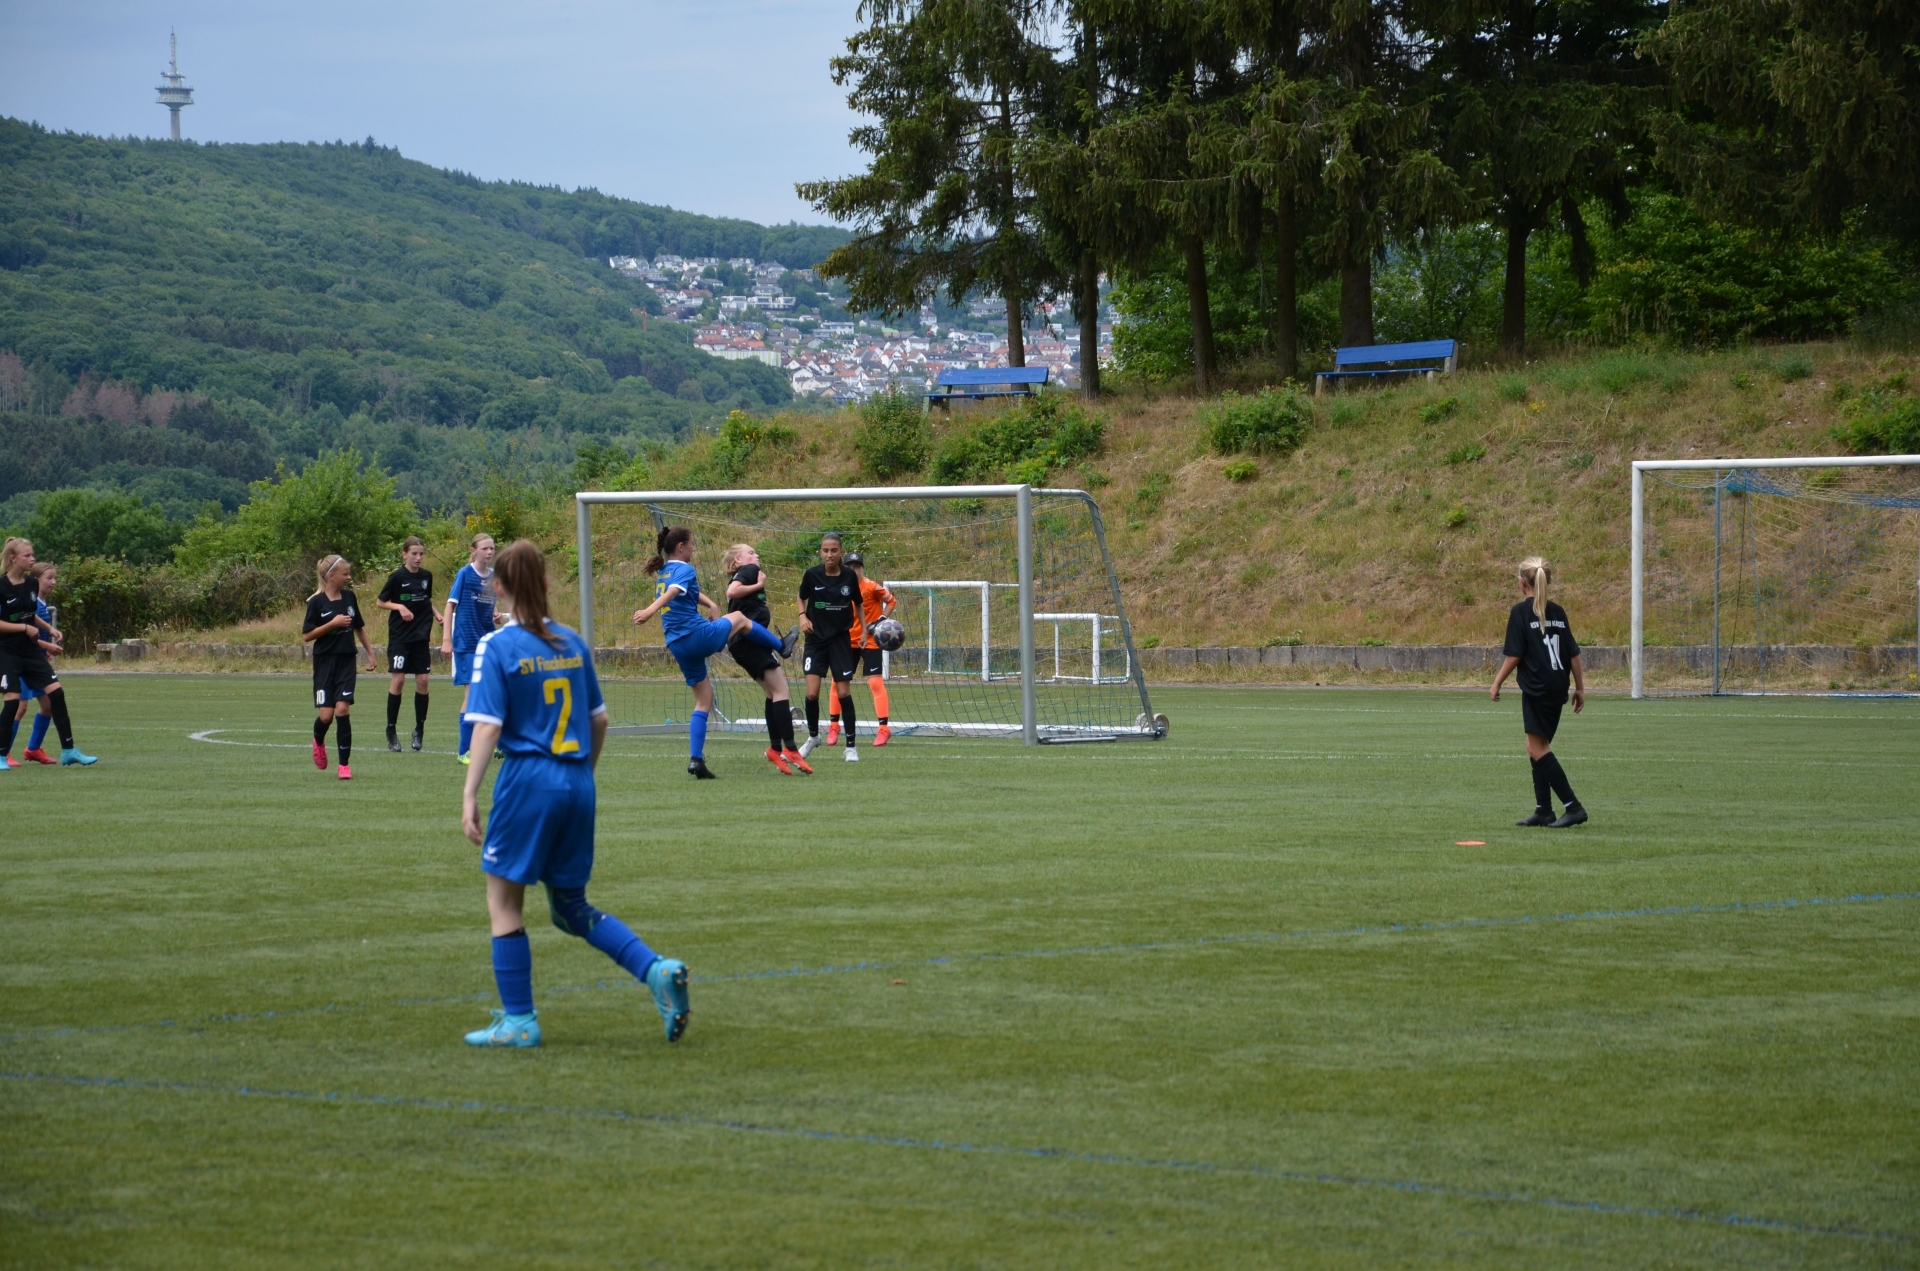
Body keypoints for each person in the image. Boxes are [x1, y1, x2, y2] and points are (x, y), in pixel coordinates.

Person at [460, 539, 690, 1047]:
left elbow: (487, 726)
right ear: (546, 584)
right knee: (568, 906)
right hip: (577, 782)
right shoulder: (572, 642)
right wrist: (582, 774)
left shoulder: (496, 646)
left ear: (499, 588)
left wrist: (470, 793)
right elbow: (599, 720)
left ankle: (519, 1022)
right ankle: (655, 969)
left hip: (527, 781)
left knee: (504, 903)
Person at [631, 525, 787, 779]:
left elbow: (686, 591)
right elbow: (674, 592)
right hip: (695, 635)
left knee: (704, 700)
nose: (694, 548)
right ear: (681, 546)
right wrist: (649, 611)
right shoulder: (685, 568)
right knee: (739, 617)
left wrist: (711, 604)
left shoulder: (666, 571)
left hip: (677, 644)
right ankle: (782, 646)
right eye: (692, 544)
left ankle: (696, 760)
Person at [1491, 556, 1589, 828]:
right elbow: (1573, 654)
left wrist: (1496, 682)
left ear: (1522, 583)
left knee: (1538, 747)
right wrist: (1580, 688)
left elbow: (1514, 655)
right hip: (1557, 685)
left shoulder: (1520, 612)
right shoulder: (1557, 611)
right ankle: (1543, 809)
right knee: (1534, 745)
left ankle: (1573, 807)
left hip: (1537, 687)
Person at [0, 545, 94, 768]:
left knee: (56, 695)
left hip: (31, 651)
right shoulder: (1, 586)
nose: (32, 559)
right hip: (7, 653)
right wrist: (24, 628)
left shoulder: (31, 584)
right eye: (27, 555)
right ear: (13, 559)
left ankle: (69, 751)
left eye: (33, 554)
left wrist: (49, 628)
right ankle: (2, 755)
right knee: (13, 703)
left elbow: (29, 613)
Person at [720, 542, 809, 775]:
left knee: (772, 693)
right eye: (750, 552)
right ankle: (790, 748)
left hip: (743, 643)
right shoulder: (749, 570)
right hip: (749, 642)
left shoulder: (743, 572)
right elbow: (732, 592)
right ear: (738, 560)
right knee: (781, 691)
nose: (756, 555)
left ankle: (775, 749)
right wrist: (759, 585)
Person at [302, 554, 378, 780]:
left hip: (346, 661)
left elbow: (359, 627)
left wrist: (370, 653)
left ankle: (344, 765)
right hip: (325, 663)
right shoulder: (316, 602)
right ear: (331, 576)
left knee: (342, 709)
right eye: (345, 574)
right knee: (326, 716)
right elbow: (307, 635)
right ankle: (318, 740)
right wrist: (333, 623)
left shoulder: (350, 597)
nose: (349, 577)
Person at [796, 532, 864, 762]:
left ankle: (851, 746)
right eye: (825, 550)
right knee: (812, 693)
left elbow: (858, 604)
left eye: (834, 550)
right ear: (821, 552)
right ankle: (813, 737)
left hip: (840, 640)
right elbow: (800, 597)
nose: (829, 554)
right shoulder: (812, 574)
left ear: (841, 552)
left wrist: (864, 631)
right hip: (815, 640)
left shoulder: (849, 576)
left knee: (843, 692)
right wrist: (802, 616)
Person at [827, 550, 897, 747]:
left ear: (862, 569)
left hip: (870, 640)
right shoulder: (837, 587)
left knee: (875, 683)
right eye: (849, 567)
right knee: (837, 683)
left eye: (857, 567)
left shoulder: (871, 587)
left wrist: (881, 619)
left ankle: (883, 729)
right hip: (847, 641)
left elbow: (891, 601)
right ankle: (833, 726)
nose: (853, 570)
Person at [377, 536, 437, 752]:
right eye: (414, 554)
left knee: (423, 680)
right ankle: (391, 730)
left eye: (421, 554)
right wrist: (400, 607)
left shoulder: (427, 576)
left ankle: (419, 729)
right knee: (399, 680)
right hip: (400, 636)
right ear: (404, 554)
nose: (418, 557)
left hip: (420, 635)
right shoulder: (396, 577)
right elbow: (380, 602)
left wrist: (437, 614)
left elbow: (425, 600)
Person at [443, 533, 499, 765]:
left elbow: (489, 606)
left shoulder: (494, 576)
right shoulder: (465, 573)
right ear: (473, 551)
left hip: (488, 642)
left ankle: (493, 742)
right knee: (473, 694)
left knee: (492, 691)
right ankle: (464, 751)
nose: (489, 552)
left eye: (492, 548)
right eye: (485, 548)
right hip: (466, 642)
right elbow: (450, 606)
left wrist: (495, 614)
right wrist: (447, 639)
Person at [4, 560, 62, 766]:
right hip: (20, 660)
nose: (53, 582)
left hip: (35, 661)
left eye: (55, 578)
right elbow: (23, 634)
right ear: (35, 580)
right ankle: (4, 752)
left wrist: (44, 649)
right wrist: (47, 646)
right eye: (49, 578)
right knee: (19, 706)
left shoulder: (41, 602)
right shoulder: (30, 602)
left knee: (48, 704)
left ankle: (33, 749)